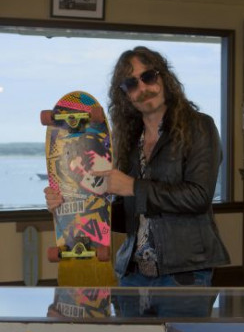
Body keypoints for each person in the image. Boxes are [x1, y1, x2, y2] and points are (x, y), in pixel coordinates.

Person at [45, 46, 229, 316]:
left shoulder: (200, 127)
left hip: (184, 274)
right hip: (131, 274)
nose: (143, 88)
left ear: (164, 77)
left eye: (148, 77)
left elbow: (198, 197)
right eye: (131, 84)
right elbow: (128, 215)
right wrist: (72, 205)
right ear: (125, 95)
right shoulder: (128, 139)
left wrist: (132, 186)